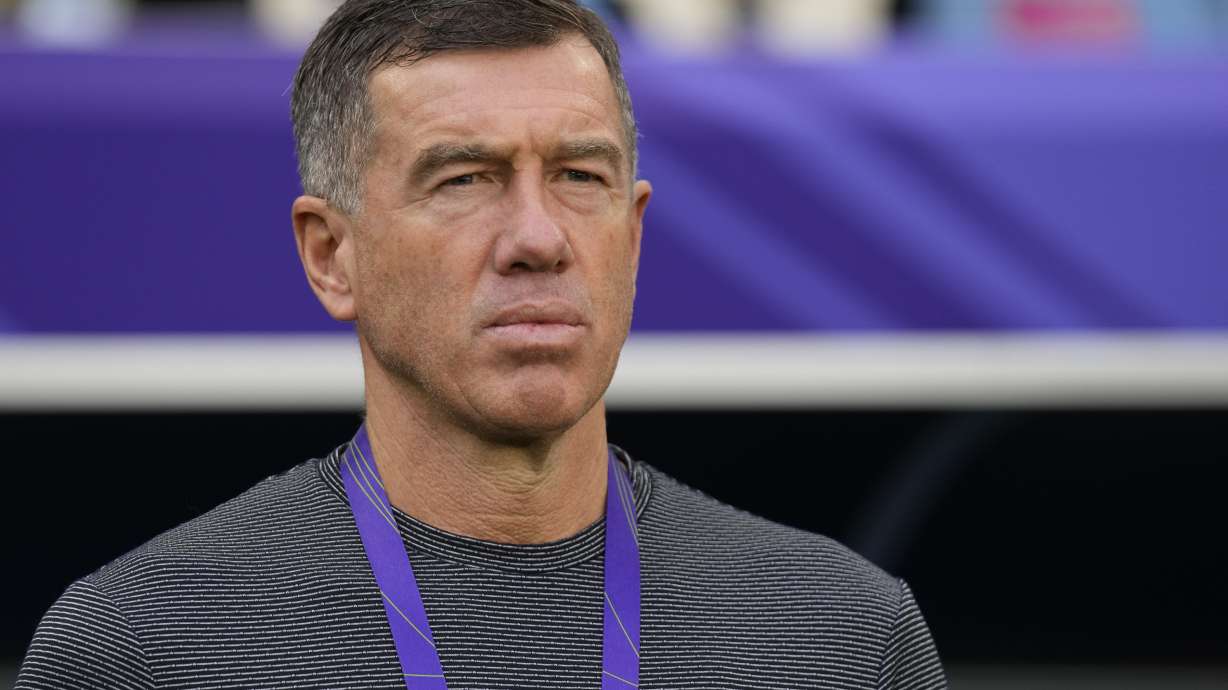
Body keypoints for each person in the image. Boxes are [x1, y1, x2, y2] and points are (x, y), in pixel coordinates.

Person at [16, 1, 946, 688]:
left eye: (580, 175)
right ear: (331, 256)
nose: (538, 238)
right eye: (465, 179)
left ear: (635, 232)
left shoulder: (843, 637)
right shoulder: (142, 648)